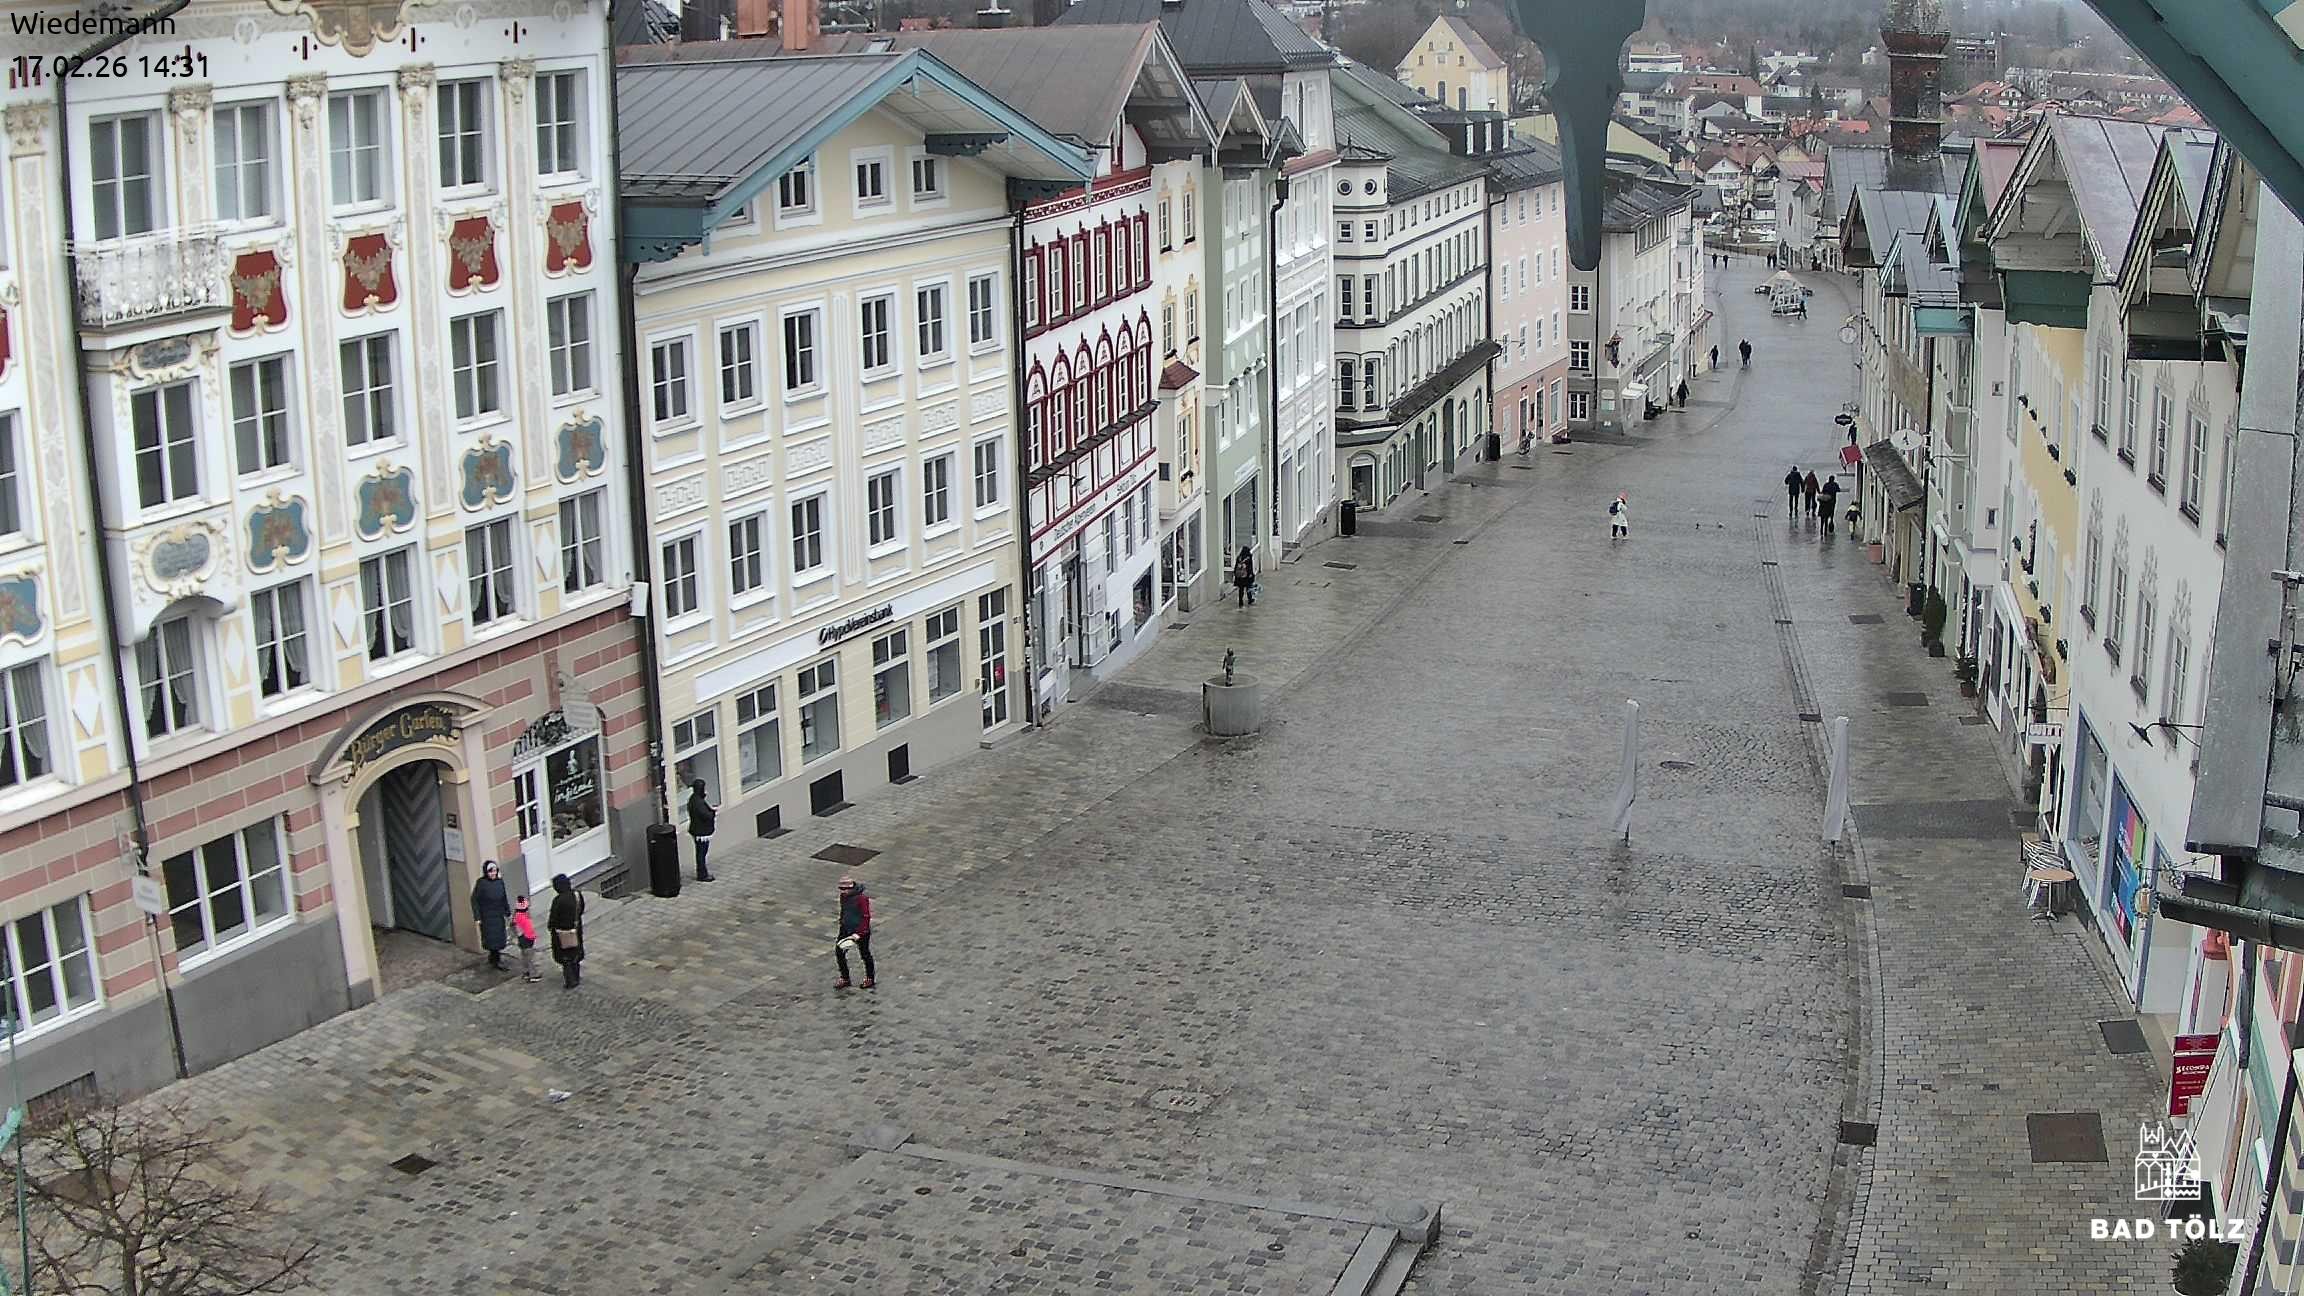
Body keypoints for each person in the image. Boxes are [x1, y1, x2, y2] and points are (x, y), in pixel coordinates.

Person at [834, 876, 875, 990]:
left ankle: (870, 978)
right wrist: (842, 921)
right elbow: (844, 910)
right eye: (841, 889)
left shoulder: (862, 899)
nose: (843, 892)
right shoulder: (844, 896)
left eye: (845, 889)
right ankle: (845, 977)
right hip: (846, 928)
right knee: (839, 952)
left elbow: (866, 917)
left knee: (865, 954)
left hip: (860, 931)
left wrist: (859, 933)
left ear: (851, 888)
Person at [547, 873, 585, 989]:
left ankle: (570, 980)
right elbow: (581, 909)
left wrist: (551, 926)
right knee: (575, 954)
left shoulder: (558, 900)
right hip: (576, 929)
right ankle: (576, 976)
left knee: (566, 957)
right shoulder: (577, 895)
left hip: (562, 933)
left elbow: (553, 918)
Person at [470, 861, 510, 971]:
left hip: (498, 915)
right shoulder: (481, 883)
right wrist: (477, 917)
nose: (493, 874)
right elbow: (474, 900)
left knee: (499, 937)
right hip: (487, 916)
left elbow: (504, 898)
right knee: (491, 939)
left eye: (495, 871)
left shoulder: (500, 882)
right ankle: (495, 959)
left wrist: (507, 912)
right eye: (490, 872)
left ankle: (494, 957)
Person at [686, 779, 717, 882]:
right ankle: (702, 874)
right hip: (701, 832)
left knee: (701, 853)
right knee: (701, 853)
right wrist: (713, 813)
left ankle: (702, 873)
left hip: (697, 830)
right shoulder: (698, 802)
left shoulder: (694, 799)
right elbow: (706, 815)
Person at [511, 894, 541, 983]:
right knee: (529, 957)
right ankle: (533, 975)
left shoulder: (517, 915)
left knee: (525, 956)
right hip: (527, 938)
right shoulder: (522, 916)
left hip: (524, 938)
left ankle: (526, 972)